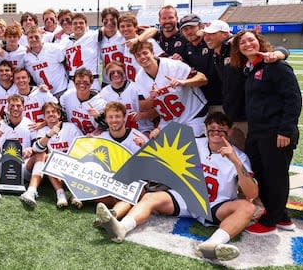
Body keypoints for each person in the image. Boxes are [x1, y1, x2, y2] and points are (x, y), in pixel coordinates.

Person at [97, 112, 258, 262]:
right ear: (206, 129)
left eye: (221, 130)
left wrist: (235, 161)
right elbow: (162, 157)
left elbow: (252, 193)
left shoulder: (239, 156)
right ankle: (121, 228)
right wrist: (148, 142)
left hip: (215, 205)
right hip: (186, 198)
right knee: (150, 197)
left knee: (248, 208)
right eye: (212, 129)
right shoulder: (194, 143)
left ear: (229, 131)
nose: (216, 132)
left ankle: (211, 245)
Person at [231, 30, 301, 234]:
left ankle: (272, 221)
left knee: (276, 176)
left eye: (250, 40)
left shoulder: (276, 66)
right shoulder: (250, 69)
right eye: (242, 42)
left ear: (259, 42)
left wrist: (286, 130)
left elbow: (293, 99)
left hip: (276, 132)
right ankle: (282, 216)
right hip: (258, 131)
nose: (247, 44)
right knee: (261, 173)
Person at [201, 20, 288, 150]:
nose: (207, 37)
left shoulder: (236, 48)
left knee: (246, 154)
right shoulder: (216, 53)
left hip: (247, 115)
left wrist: (277, 54)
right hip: (231, 113)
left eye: (212, 34)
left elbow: (279, 50)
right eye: (205, 34)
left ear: (225, 35)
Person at [132, 40, 208, 137]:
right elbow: (144, 106)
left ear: (153, 53)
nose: (142, 57)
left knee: (193, 146)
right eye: (138, 55)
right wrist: (151, 98)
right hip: (170, 120)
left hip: (194, 113)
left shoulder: (173, 65)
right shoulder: (139, 78)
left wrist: (183, 82)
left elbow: (203, 79)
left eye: (145, 53)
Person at [0, 95, 38, 205]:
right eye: (12, 105)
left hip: (23, 165)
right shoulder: (0, 125)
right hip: (4, 167)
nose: (15, 108)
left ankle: (31, 191)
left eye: (18, 106)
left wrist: (31, 149)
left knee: (40, 155)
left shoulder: (30, 124)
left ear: (23, 107)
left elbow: (38, 146)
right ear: (7, 107)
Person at [29, 102, 83, 207]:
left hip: (72, 166)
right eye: (47, 112)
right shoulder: (42, 130)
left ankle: (76, 194)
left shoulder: (71, 127)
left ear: (59, 114)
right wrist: (49, 134)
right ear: (44, 117)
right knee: (48, 157)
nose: (51, 114)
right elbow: (36, 149)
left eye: (53, 111)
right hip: (54, 169)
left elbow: (81, 146)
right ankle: (60, 194)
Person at [178, 14, 222, 109]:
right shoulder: (186, 48)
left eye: (192, 27)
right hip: (200, 103)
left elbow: (227, 38)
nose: (189, 32)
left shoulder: (212, 41)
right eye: (185, 29)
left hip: (220, 101)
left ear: (200, 26)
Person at [23, 26, 68, 97]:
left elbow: (66, 62)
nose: (34, 39)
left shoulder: (54, 48)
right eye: (30, 37)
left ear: (41, 36)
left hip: (61, 90)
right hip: (44, 95)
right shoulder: (26, 57)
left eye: (36, 37)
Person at [59, 68, 106, 135]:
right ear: (74, 82)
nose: (81, 85)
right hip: (72, 135)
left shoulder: (99, 102)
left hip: (93, 137)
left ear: (91, 82)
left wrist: (98, 117)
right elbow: (60, 113)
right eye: (78, 82)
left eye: (85, 82)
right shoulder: (67, 96)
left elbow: (107, 126)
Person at [63, 13, 100, 88]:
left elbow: (109, 30)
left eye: (81, 23)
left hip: (91, 81)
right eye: (75, 23)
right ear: (71, 26)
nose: (78, 25)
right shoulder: (64, 41)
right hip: (72, 81)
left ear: (86, 25)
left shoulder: (93, 35)